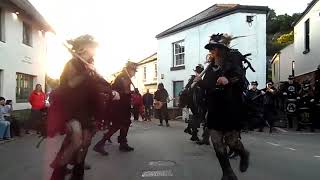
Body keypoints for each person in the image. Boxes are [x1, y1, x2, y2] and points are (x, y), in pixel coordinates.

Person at [48, 34, 114, 180]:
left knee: (85, 142)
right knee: (76, 140)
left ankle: (77, 172)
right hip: (71, 109)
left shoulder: (89, 64)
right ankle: (58, 171)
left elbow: (98, 83)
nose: (94, 50)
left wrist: (110, 89)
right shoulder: (72, 64)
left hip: (87, 109)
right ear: (84, 48)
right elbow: (71, 83)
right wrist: (87, 72)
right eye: (92, 47)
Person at [194, 33, 250, 180]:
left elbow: (241, 79)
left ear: (223, 49)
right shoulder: (210, 69)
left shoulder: (233, 62)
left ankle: (244, 153)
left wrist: (228, 80)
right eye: (211, 48)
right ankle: (227, 172)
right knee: (216, 141)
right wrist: (199, 82)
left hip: (230, 108)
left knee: (232, 141)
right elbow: (209, 87)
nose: (212, 51)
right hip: (214, 109)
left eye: (215, 48)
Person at [94, 61, 138, 155]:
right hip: (120, 106)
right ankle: (101, 144)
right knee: (118, 125)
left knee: (124, 124)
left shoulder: (123, 76)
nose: (134, 73)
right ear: (130, 69)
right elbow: (125, 92)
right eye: (134, 70)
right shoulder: (124, 77)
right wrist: (133, 92)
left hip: (122, 105)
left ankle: (122, 143)